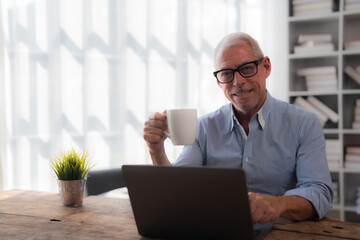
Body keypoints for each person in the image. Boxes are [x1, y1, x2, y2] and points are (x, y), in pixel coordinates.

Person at [143, 32, 333, 230]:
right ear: (219, 82)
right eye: (226, 73)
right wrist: (156, 150)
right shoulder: (203, 127)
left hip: (278, 233)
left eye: (247, 68)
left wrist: (277, 205)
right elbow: (178, 191)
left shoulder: (305, 124)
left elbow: (319, 192)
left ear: (266, 67)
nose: (238, 82)